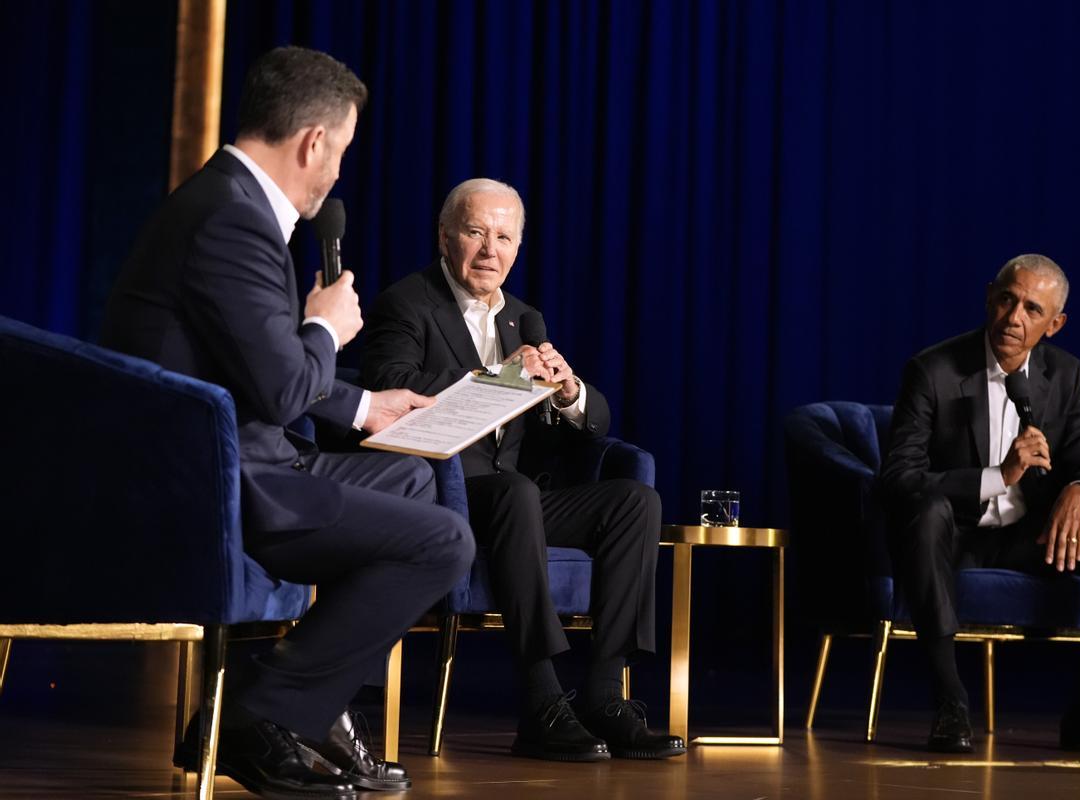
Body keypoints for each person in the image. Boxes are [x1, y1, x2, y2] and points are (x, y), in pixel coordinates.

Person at [103, 47, 474, 797]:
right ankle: (257, 715)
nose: (337, 173)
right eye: (340, 152)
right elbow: (277, 386)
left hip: (246, 455)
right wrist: (327, 327)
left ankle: (313, 701)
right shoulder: (230, 222)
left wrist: (365, 406)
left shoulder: (227, 205)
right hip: (214, 480)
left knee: (408, 471)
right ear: (314, 142)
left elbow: (257, 366)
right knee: (445, 540)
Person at [359, 178, 683, 762]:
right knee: (514, 492)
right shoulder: (408, 303)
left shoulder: (524, 316)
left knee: (636, 501)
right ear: (445, 235)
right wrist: (498, 381)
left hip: (520, 500)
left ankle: (606, 696)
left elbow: (597, 422)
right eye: (477, 232)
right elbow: (391, 386)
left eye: (505, 237)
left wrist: (567, 391)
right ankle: (541, 703)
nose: (491, 250)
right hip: (443, 495)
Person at [880, 254, 1080, 755]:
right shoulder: (933, 370)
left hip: (1034, 541)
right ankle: (950, 702)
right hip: (954, 538)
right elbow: (899, 479)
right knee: (925, 512)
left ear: (1054, 324)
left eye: (1032, 308)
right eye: (1007, 299)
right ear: (990, 296)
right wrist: (998, 476)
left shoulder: (1066, 374)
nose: (1014, 317)